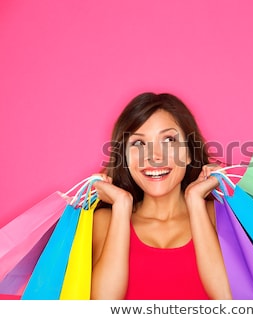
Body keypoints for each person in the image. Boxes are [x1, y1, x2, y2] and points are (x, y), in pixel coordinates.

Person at [90, 92, 232, 300]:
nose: (154, 156)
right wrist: (121, 206)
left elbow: (230, 301)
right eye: (138, 144)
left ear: (190, 152)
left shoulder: (222, 218)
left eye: (168, 140)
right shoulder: (103, 221)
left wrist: (195, 201)